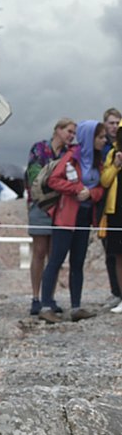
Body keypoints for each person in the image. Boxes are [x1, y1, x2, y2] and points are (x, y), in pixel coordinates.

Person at [38, 121, 107, 324]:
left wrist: (91, 193)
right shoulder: (71, 156)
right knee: (56, 260)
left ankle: (76, 307)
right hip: (66, 217)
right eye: (100, 137)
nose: (104, 141)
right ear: (89, 138)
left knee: (78, 262)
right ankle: (46, 306)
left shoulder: (97, 160)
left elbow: (101, 188)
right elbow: (53, 180)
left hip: (85, 217)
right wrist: (77, 189)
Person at [25, 118, 76, 315]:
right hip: (40, 205)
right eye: (69, 131)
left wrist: (55, 180)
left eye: (73, 133)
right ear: (58, 130)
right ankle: (36, 297)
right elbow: (35, 176)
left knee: (55, 254)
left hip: (61, 207)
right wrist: (56, 180)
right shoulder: (38, 148)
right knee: (39, 251)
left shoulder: (70, 154)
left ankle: (50, 297)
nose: (71, 136)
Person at [100, 107, 121, 305]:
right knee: (111, 251)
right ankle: (116, 291)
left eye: (117, 123)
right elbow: (103, 180)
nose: (114, 127)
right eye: (111, 123)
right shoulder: (102, 146)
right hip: (106, 206)